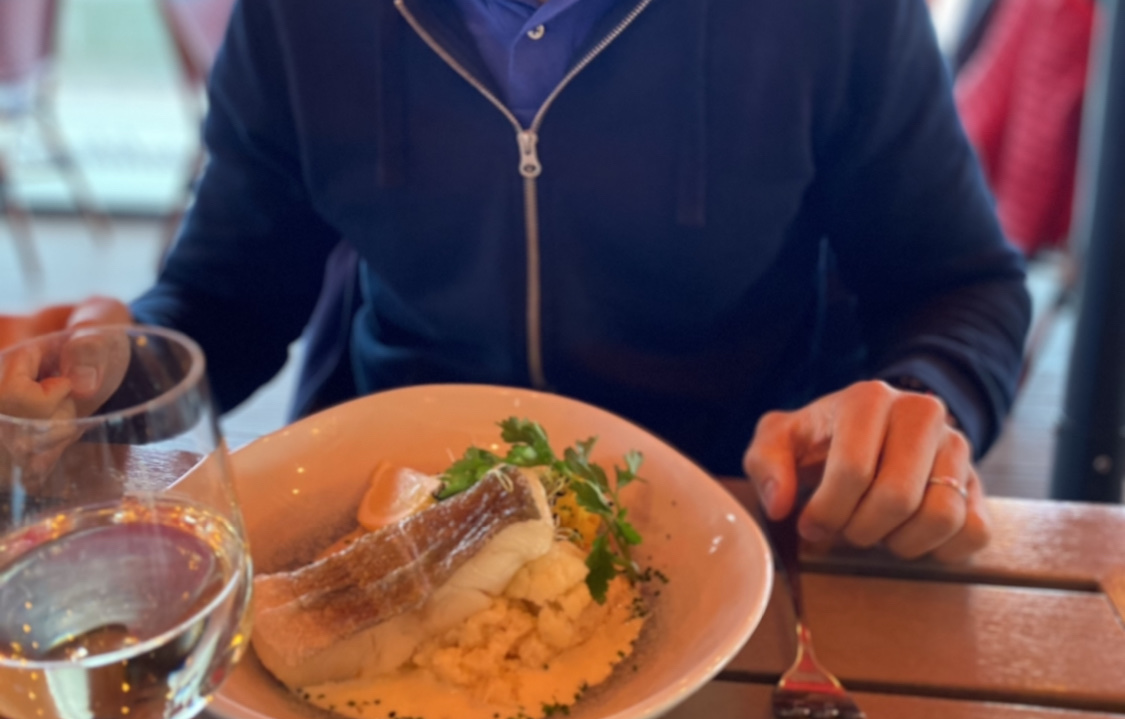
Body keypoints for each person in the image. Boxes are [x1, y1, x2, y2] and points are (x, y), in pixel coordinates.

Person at [1, 0, 1031, 562]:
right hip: (394, 512)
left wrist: (917, 408)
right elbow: (227, 295)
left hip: (729, 512)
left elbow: (958, 284)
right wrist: (109, 377)